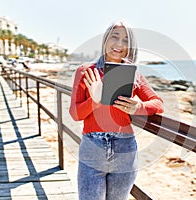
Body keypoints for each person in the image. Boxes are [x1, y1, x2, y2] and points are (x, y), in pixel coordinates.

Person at [69, 19, 164, 200]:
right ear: (105, 39)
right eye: (115, 37)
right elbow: (75, 114)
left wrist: (139, 107)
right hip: (92, 148)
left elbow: (158, 103)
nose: (119, 44)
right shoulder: (86, 72)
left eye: (126, 40)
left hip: (125, 149)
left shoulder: (133, 74)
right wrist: (95, 101)